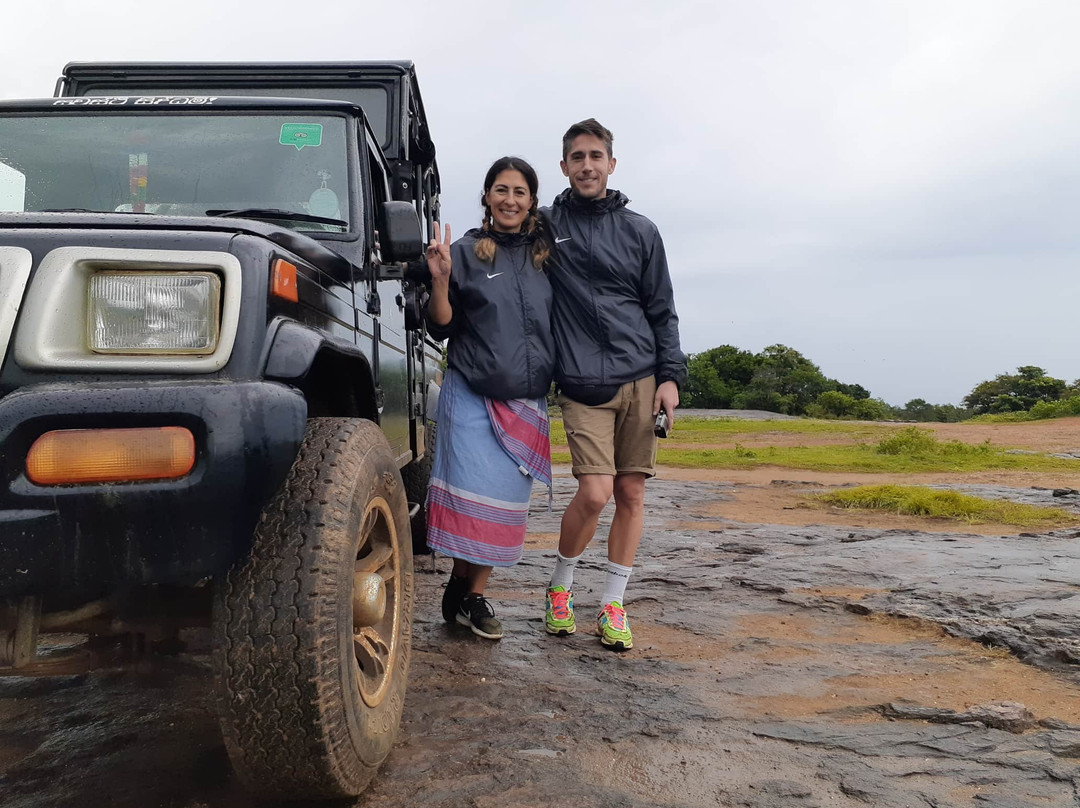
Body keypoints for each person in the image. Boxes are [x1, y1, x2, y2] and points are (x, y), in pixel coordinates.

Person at [541, 119, 686, 651]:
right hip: (580, 382)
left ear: (611, 164)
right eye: (577, 157)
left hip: (641, 378)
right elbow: (498, 238)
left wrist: (670, 377)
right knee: (596, 491)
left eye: (595, 156)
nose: (586, 165)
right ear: (564, 166)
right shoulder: (545, 224)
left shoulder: (641, 230)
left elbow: (662, 310)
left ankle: (612, 604)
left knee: (631, 492)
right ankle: (559, 587)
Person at [423, 156, 554, 640]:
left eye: (519, 192)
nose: (510, 200)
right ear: (486, 197)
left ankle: (465, 588)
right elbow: (442, 326)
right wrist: (440, 279)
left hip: (525, 400)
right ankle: (471, 595)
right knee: (470, 501)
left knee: (502, 506)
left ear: (532, 201)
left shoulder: (547, 256)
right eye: (501, 190)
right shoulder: (463, 253)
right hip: (472, 394)